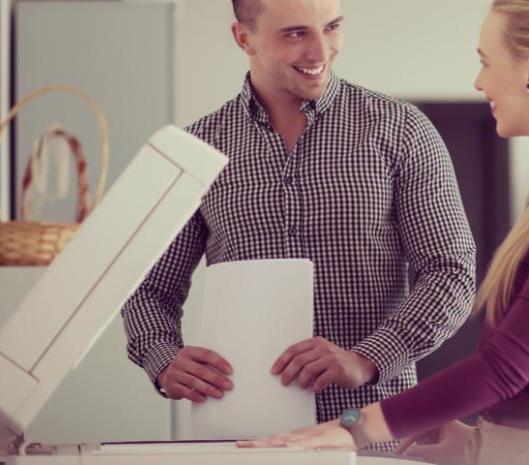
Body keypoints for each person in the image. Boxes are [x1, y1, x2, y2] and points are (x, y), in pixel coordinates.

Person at [241, 1, 529, 463]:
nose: (479, 82)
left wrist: (351, 429)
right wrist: (484, 441)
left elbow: (504, 367)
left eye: (485, 62)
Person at [120, 0, 477, 452]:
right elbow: (148, 286)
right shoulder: (199, 150)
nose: (320, 50)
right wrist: (163, 359)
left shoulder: (402, 131)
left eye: (331, 28)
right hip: (244, 443)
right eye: (295, 34)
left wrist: (368, 358)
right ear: (242, 38)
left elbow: (452, 272)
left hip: (370, 437)